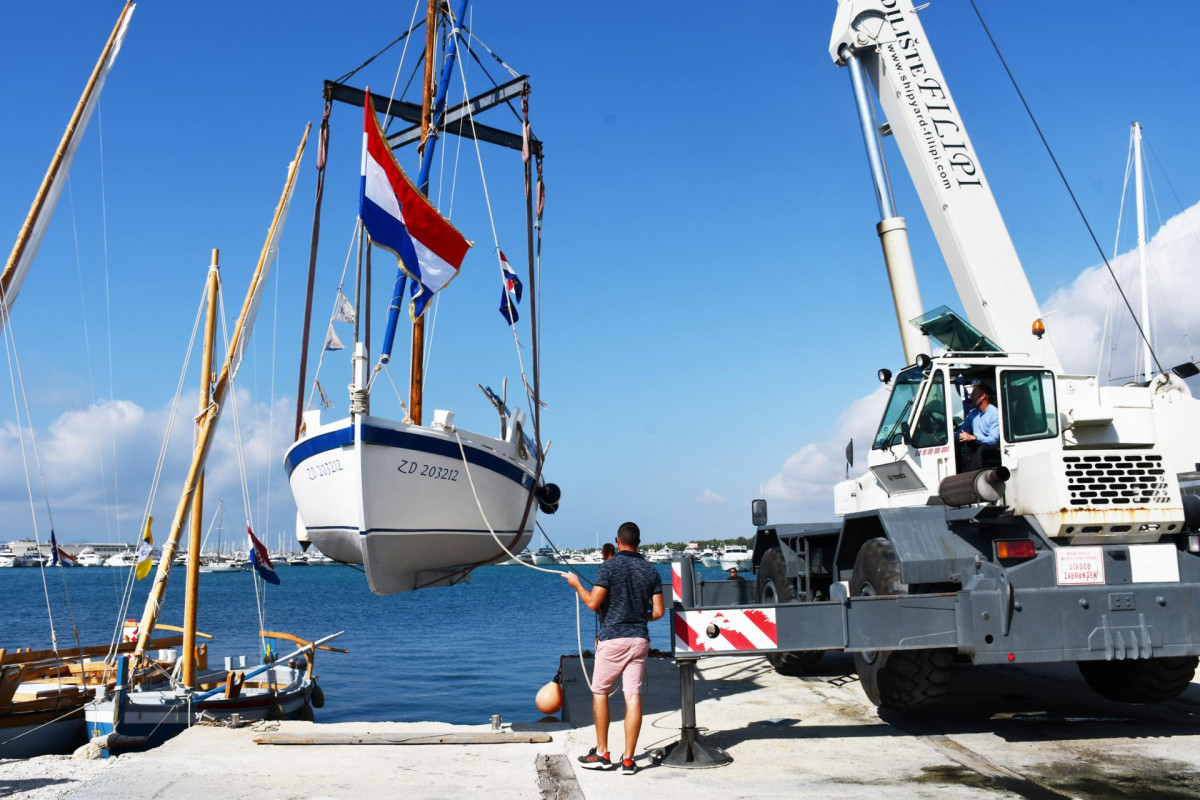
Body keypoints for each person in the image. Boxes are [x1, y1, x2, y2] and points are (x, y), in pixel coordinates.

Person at [565, 522, 665, 775]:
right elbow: (658, 612)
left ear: (617, 541)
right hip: (640, 640)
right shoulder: (651, 570)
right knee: (633, 698)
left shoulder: (609, 566)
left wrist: (576, 584)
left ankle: (602, 753)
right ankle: (629, 760)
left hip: (613, 640)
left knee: (600, 692)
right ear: (638, 542)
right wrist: (639, 617)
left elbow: (592, 603)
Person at [957, 382, 999, 470]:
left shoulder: (994, 413)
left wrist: (974, 438)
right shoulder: (973, 413)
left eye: (973, 394)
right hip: (976, 450)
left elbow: (993, 440)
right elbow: (963, 430)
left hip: (989, 453)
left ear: (983, 396)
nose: (971, 397)